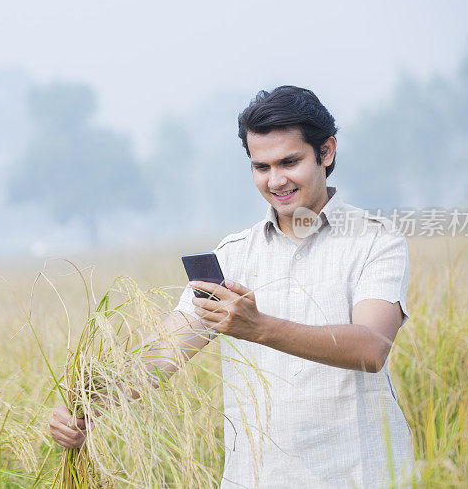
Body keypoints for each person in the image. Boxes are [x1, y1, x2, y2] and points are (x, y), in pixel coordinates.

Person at [48, 85, 416, 488]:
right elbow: (164, 354)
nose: (276, 181)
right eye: (261, 167)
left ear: (325, 152)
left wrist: (258, 327)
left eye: (289, 162)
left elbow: (371, 347)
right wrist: (88, 407)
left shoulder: (375, 239)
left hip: (361, 475)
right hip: (257, 479)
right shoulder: (231, 256)